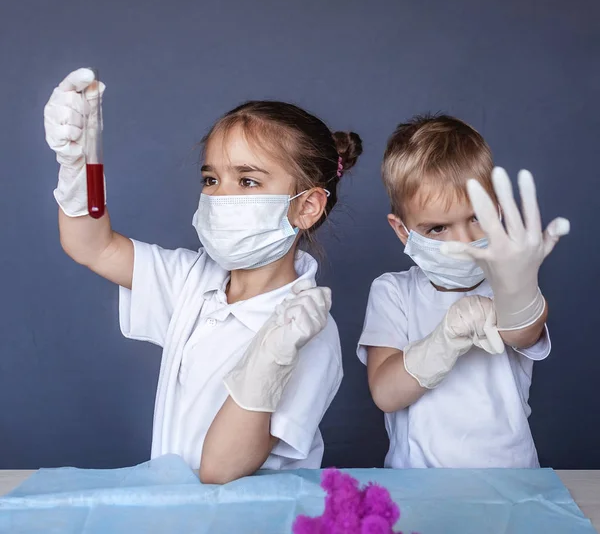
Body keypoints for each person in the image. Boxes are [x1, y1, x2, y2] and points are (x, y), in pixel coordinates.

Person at [44, 68, 363, 483]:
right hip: (174, 514)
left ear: (307, 207)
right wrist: (78, 165)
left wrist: (269, 358)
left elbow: (220, 470)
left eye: (247, 180)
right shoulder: (191, 281)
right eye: (211, 178)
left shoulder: (309, 334)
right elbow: (92, 246)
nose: (221, 196)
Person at [358, 114, 569, 468]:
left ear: (497, 210)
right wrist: (443, 341)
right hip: (417, 481)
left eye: (475, 218)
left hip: (511, 479)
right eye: (438, 227)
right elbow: (385, 392)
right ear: (402, 230)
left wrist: (519, 287)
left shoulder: (508, 285)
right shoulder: (393, 292)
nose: (464, 240)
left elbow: (524, 330)